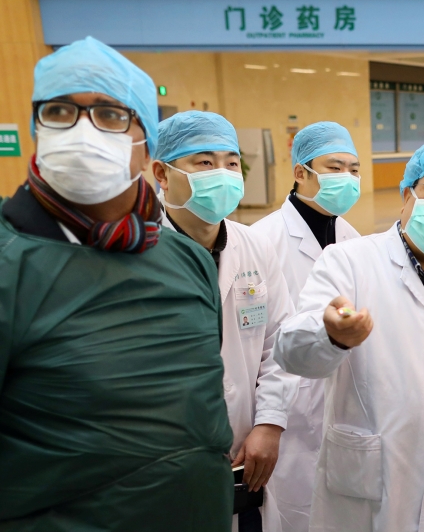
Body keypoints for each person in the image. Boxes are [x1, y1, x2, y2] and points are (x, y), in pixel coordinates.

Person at [0, 37, 232, 530]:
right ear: (39, 127)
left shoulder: (186, 258)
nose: (82, 131)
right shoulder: (10, 261)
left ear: (145, 144)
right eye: (60, 111)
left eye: (109, 115)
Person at [275, 135, 424, 532]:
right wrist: (331, 335)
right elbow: (290, 352)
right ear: (407, 193)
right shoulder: (349, 262)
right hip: (368, 484)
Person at [152, 110, 297, 532]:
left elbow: (278, 343)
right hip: (160, 457)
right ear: (162, 172)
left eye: (231, 162)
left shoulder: (255, 247)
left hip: (244, 454)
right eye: (204, 162)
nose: (223, 173)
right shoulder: (135, 252)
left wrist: (270, 422)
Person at [251, 121, 363, 532]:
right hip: (289, 409)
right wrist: (268, 417)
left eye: (353, 169)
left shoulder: (352, 237)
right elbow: (262, 339)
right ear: (301, 172)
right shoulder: (264, 238)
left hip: (342, 400)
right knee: (290, 510)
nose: (347, 179)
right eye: (335, 168)